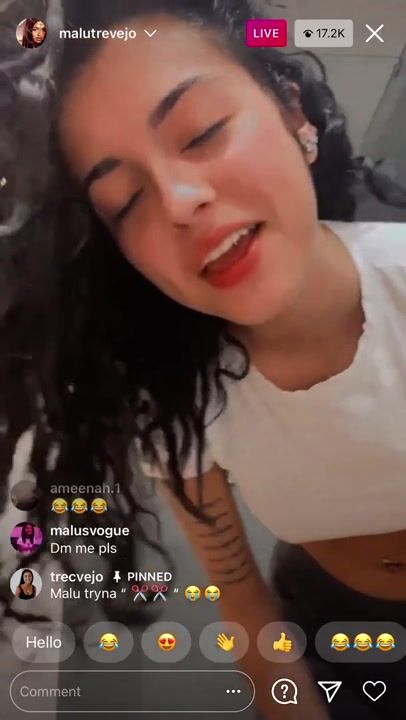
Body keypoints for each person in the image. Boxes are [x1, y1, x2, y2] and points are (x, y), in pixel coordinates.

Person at [4, 0, 406, 717]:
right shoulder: (178, 398)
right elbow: (242, 599)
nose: (179, 201)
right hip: (336, 633)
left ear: (292, 111)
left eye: (201, 132)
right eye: (125, 201)